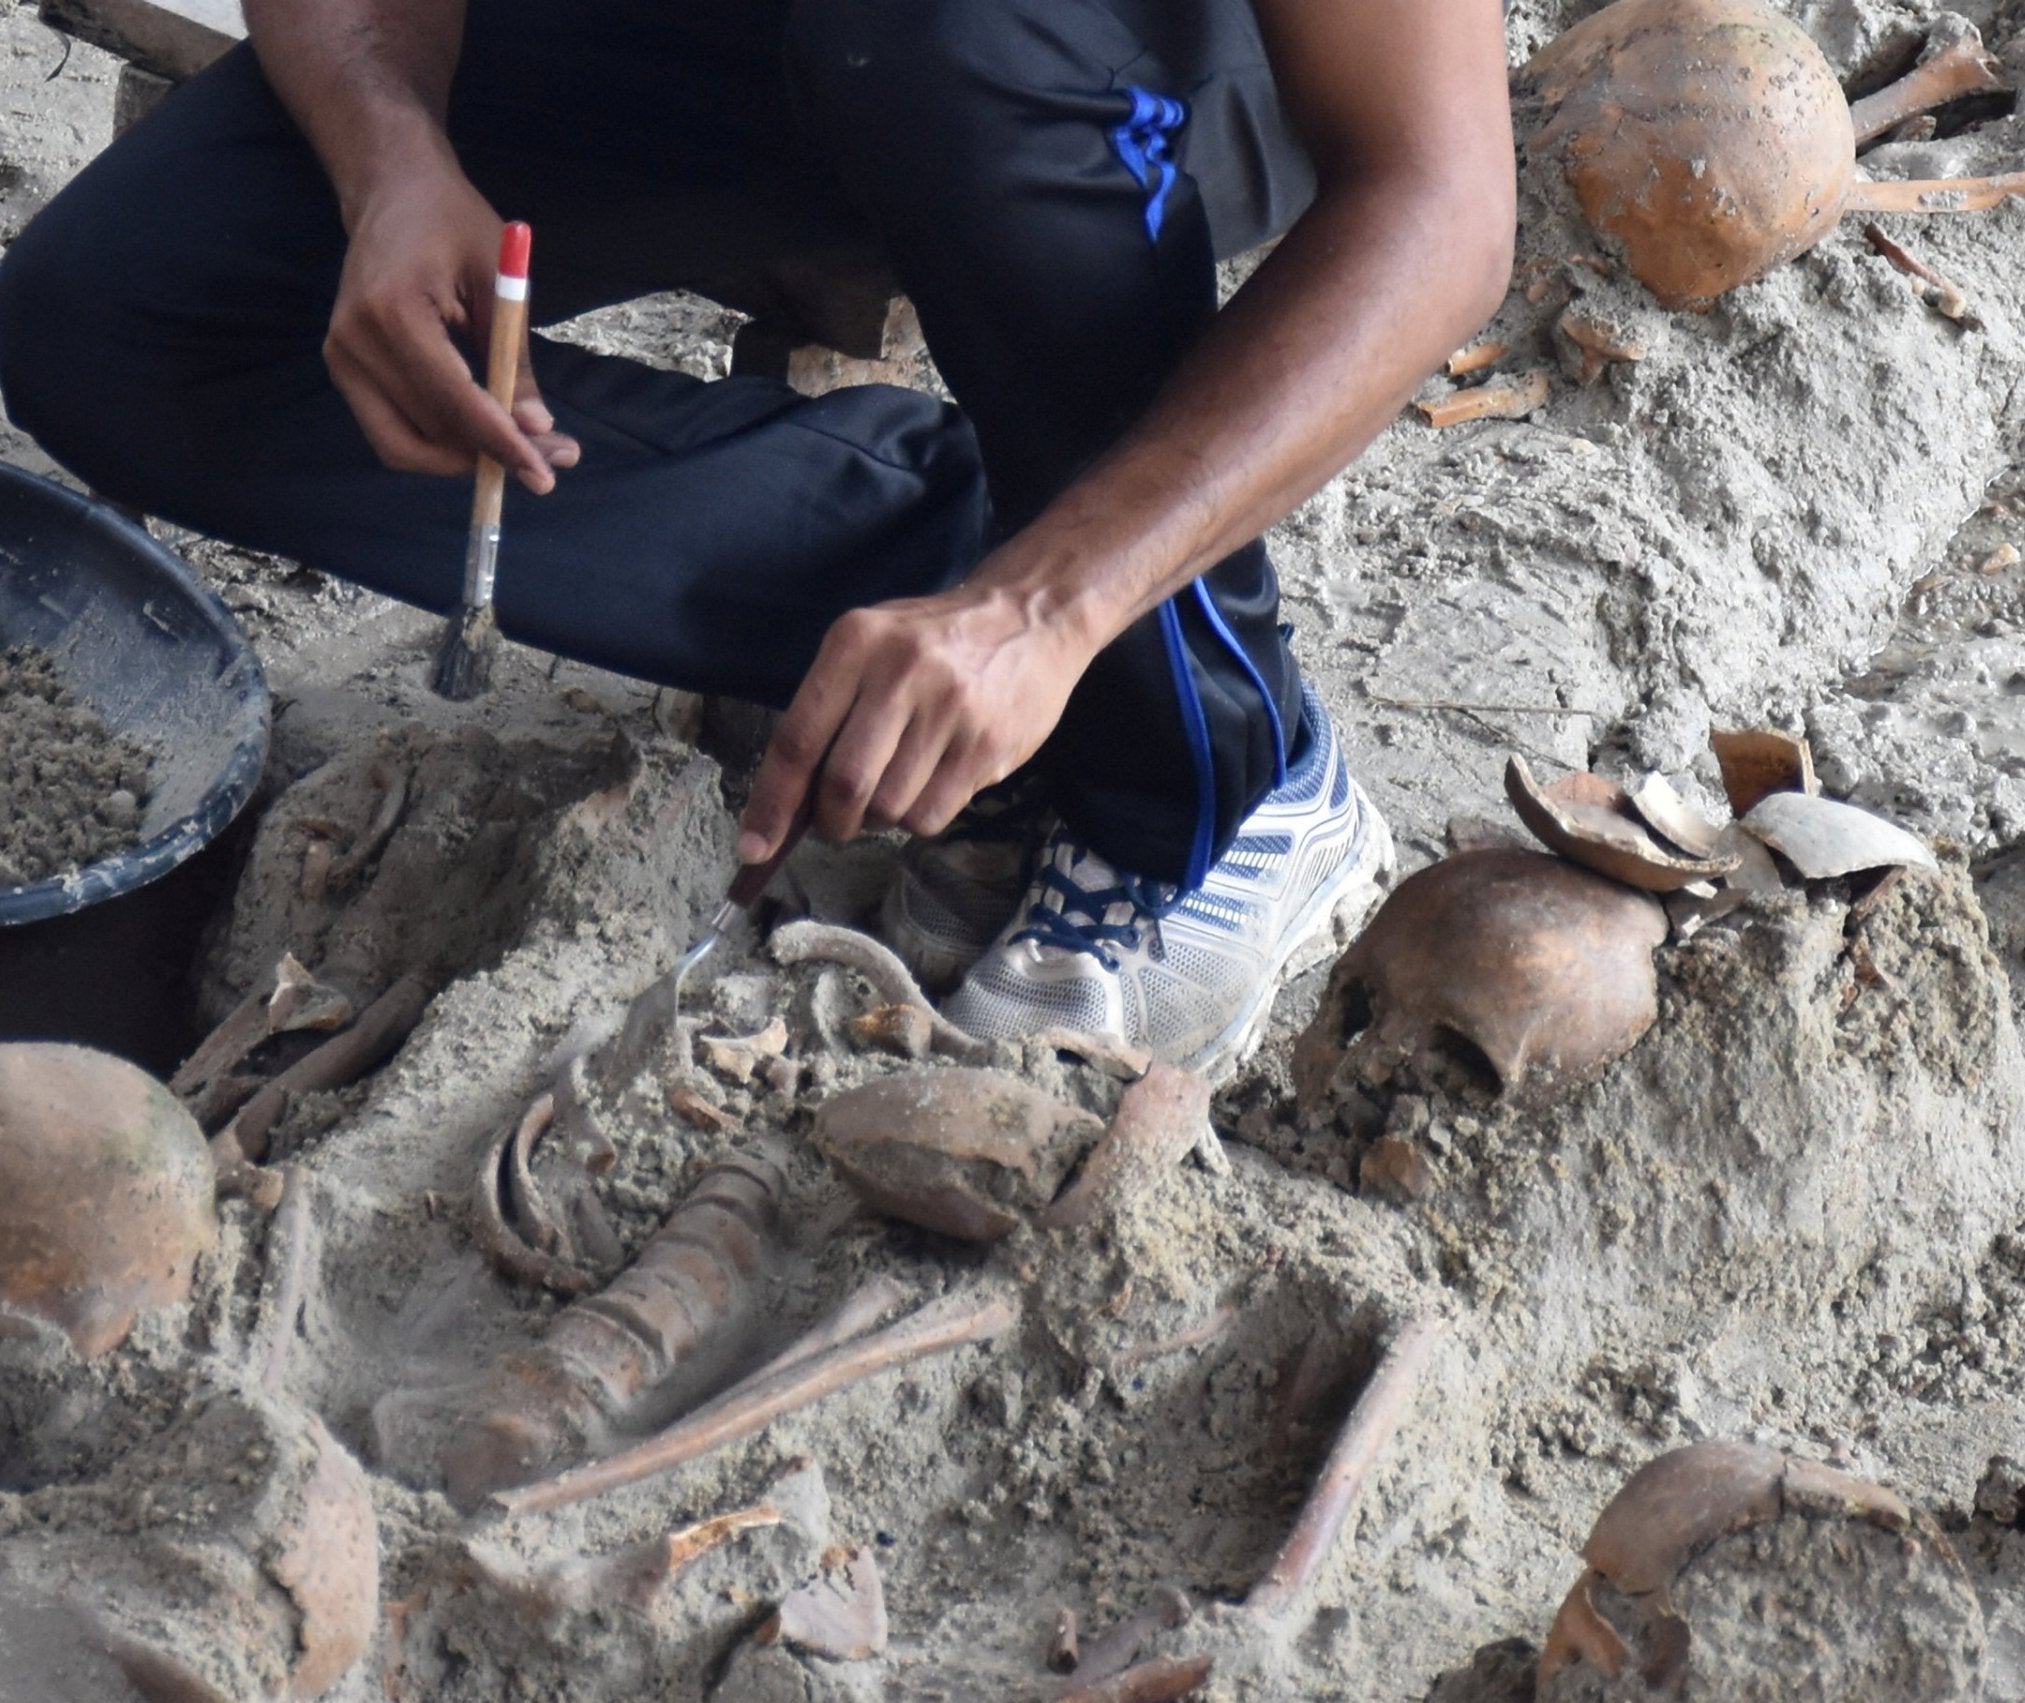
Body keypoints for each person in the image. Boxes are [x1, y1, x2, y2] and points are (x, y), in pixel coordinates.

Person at [0, 0, 1514, 1076]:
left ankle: (1214, 771)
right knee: (121, 323)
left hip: (1129, 55)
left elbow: (1440, 200)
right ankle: (944, 579)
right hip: (763, 39)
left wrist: (1058, 605)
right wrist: (391, 160)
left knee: (948, 38)